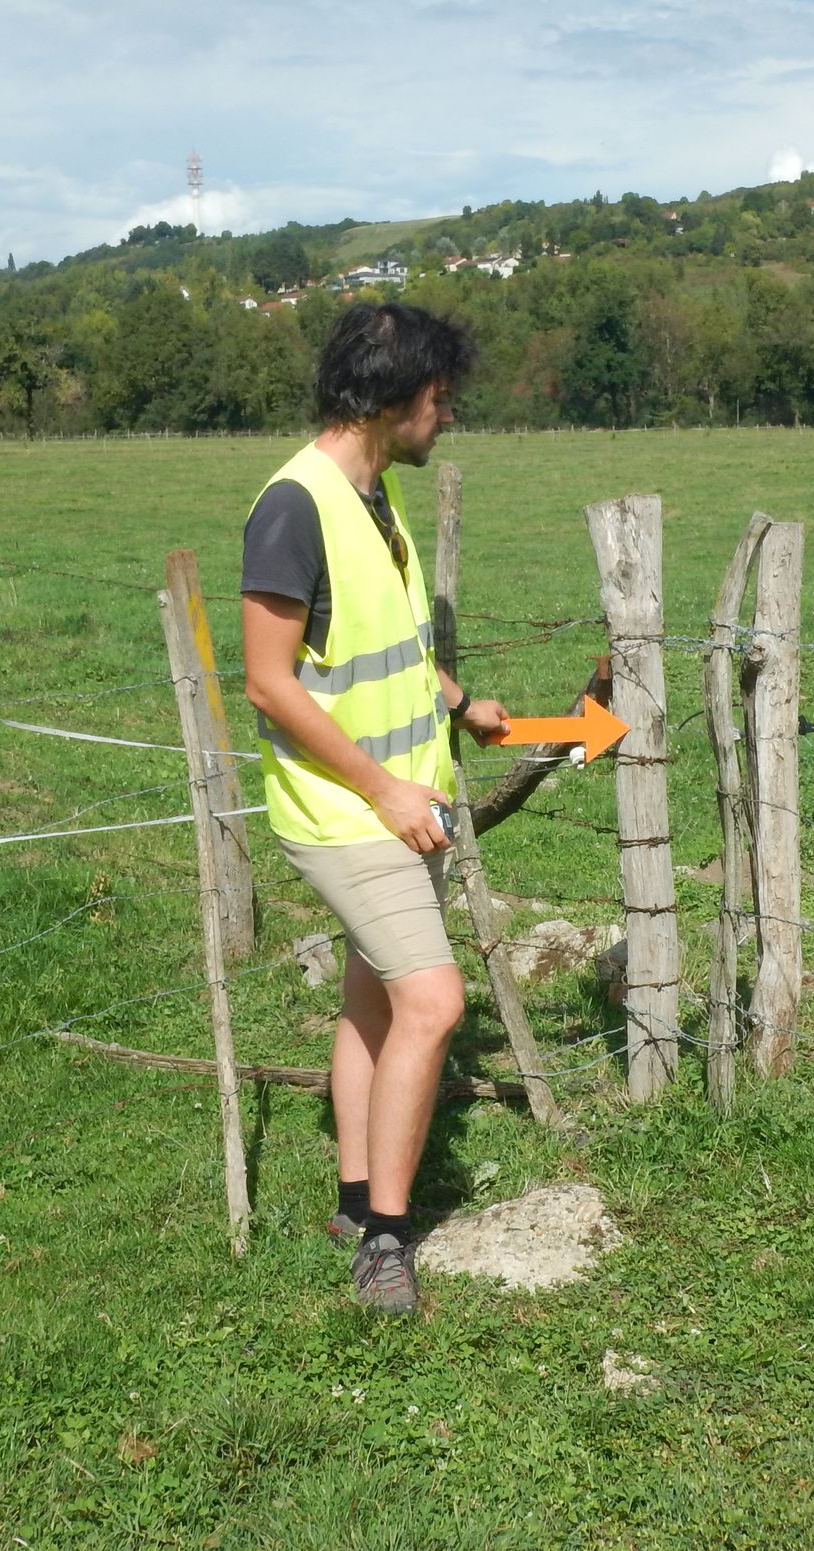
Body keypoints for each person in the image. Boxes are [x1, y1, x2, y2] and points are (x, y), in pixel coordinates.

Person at [240, 302, 509, 1314]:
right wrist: (386, 788)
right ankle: (388, 1243)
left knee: (374, 999)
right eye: (440, 397)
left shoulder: (372, 493)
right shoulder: (293, 507)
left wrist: (459, 705)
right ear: (393, 399)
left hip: (398, 802)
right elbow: (269, 683)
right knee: (435, 1004)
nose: (449, 414)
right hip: (348, 814)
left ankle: (357, 1204)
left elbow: (382, 642)